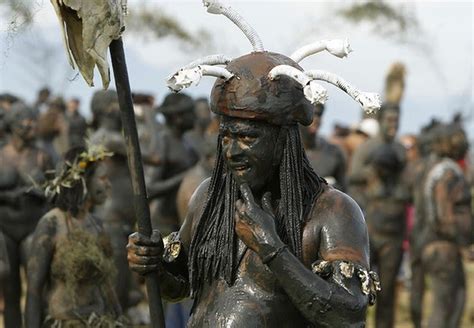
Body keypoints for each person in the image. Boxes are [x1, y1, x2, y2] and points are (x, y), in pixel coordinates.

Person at [127, 2, 382, 323]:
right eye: (226, 136)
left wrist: (272, 249)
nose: (232, 150)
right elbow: (183, 285)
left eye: (247, 137)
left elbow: (349, 313)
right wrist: (154, 265)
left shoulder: (331, 212)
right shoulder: (209, 197)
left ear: (283, 139)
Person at [25, 145, 126, 327]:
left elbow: (106, 285)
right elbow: (33, 292)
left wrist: (119, 318)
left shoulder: (97, 224)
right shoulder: (51, 224)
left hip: (99, 321)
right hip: (65, 322)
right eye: (102, 178)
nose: (108, 184)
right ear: (83, 180)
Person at [348, 102, 409, 328]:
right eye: (389, 120)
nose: (393, 125)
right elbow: (352, 177)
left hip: (393, 230)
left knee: (388, 291)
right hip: (370, 229)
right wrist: (371, 175)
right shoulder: (367, 148)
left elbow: (408, 185)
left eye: (396, 120)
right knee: (359, 287)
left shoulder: (401, 150)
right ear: (381, 120)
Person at [411, 123, 472, 328]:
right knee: (444, 307)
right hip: (442, 247)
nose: (465, 144)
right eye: (460, 139)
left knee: (457, 301)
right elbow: (443, 216)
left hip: (438, 246)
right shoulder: (446, 174)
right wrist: (463, 244)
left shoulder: (438, 170)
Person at [0, 102, 52, 327]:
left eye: (33, 119)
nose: (32, 124)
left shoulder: (42, 156)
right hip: (5, 230)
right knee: (10, 290)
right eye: (26, 120)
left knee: (35, 288)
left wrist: (38, 191)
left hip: (33, 228)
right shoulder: (1, 155)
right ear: (13, 124)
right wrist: (7, 197)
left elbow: (55, 191)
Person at [300, 103, 347, 191]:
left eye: (319, 115)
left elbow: (344, 189)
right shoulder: (286, 152)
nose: (316, 119)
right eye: (311, 113)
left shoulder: (334, 152)